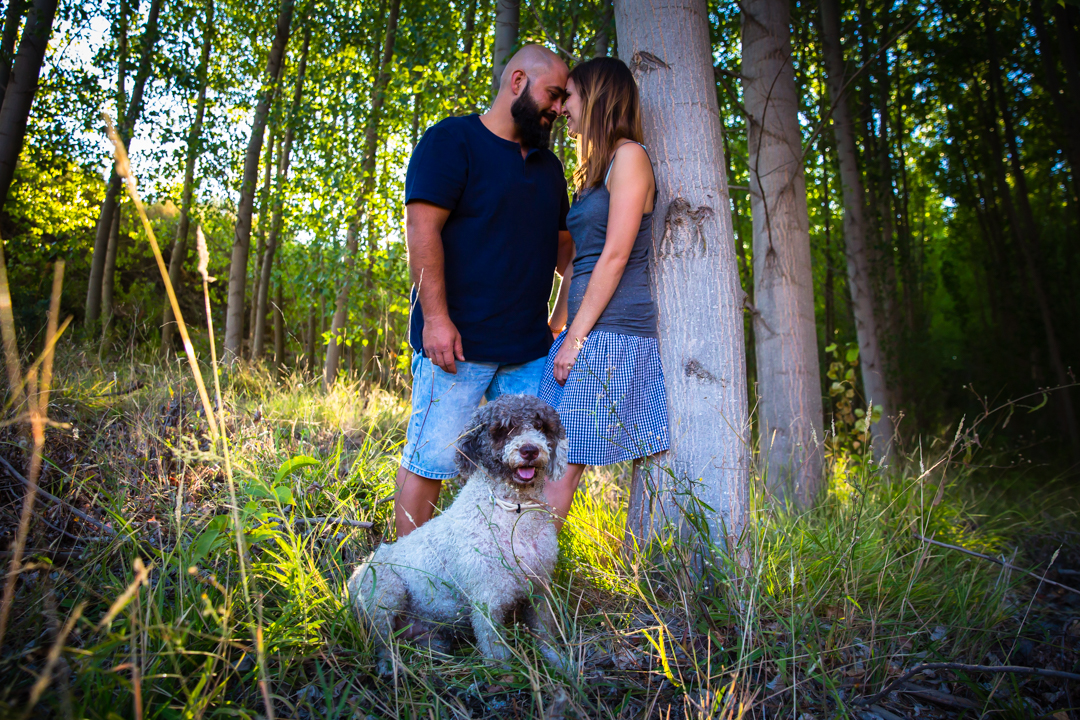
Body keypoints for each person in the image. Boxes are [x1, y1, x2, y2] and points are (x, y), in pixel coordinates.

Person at [395, 45, 573, 538]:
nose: (559, 108)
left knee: (531, 468)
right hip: (459, 345)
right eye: (553, 95)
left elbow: (566, 252)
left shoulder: (548, 167)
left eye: (563, 100)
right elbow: (421, 229)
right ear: (517, 81)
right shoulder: (452, 140)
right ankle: (407, 579)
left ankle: (514, 574)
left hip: (528, 352)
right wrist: (435, 318)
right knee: (432, 460)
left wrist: (563, 316)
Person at [539, 57, 670, 528]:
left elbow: (614, 257)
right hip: (583, 331)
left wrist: (575, 339)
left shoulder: (629, 157)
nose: (561, 108)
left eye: (568, 97)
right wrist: (557, 327)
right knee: (542, 456)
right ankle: (515, 570)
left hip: (612, 335)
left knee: (562, 463)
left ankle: (526, 580)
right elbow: (578, 264)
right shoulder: (593, 173)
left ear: (594, 98)